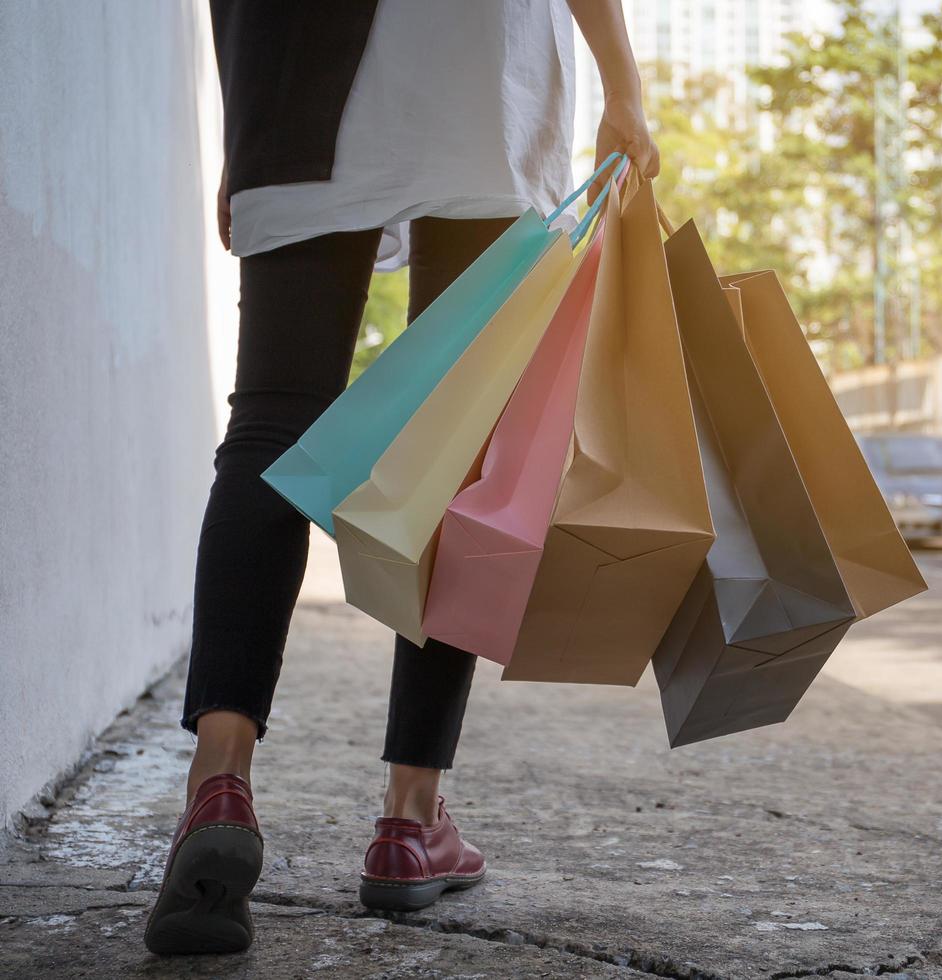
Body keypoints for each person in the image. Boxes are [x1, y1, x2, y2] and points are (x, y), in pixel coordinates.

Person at [144, 0, 659, 956]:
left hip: (296, 79)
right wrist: (624, 85)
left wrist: (242, 128)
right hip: (479, 73)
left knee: (268, 422)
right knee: (454, 444)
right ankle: (410, 819)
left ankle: (219, 780)